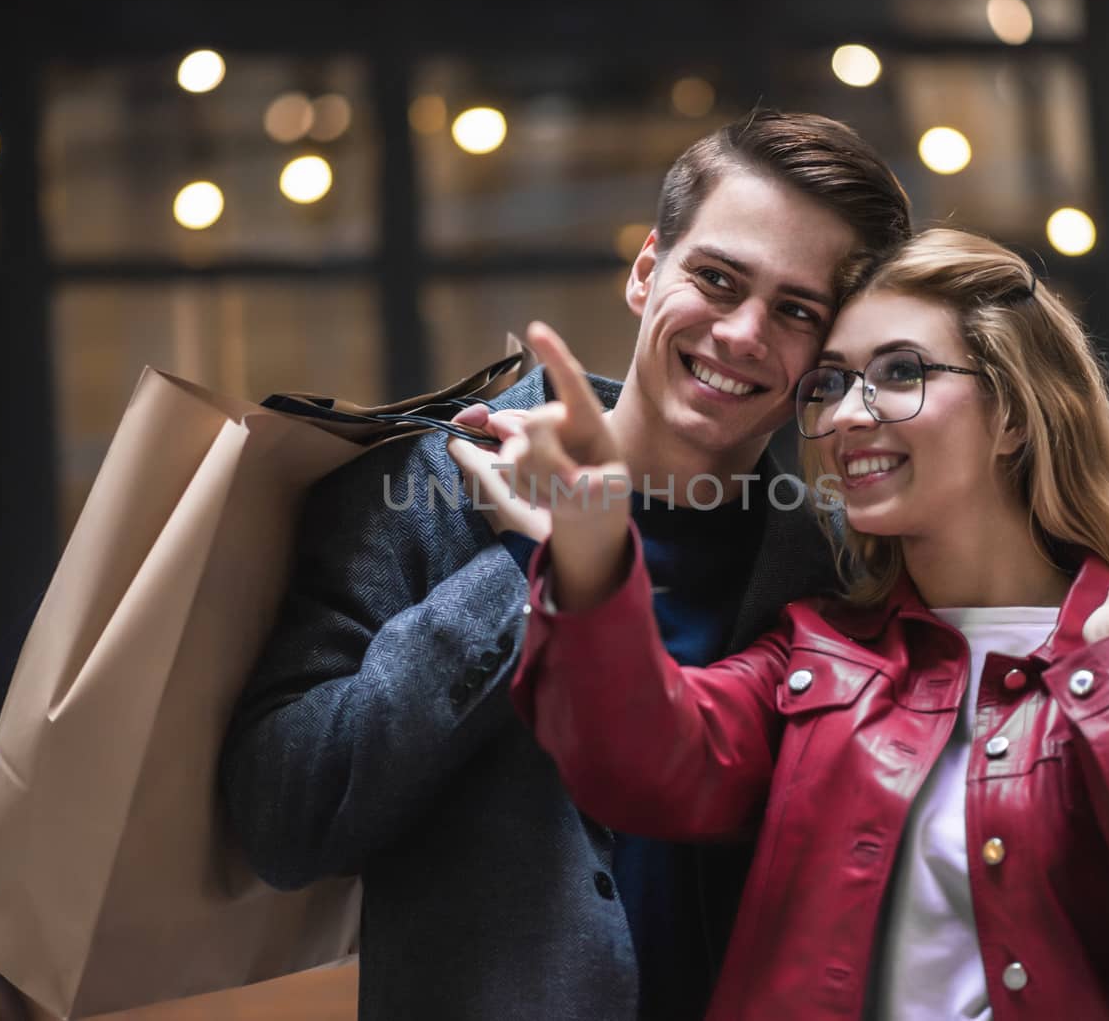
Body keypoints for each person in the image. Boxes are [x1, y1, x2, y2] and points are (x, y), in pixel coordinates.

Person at [500, 228, 1109, 1019]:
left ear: (1015, 416)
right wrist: (594, 540)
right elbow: (636, 766)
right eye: (831, 383)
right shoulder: (818, 652)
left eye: (899, 373)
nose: (849, 415)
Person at [218, 109, 913, 1019]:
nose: (744, 333)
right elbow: (284, 817)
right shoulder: (427, 487)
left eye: (795, 311)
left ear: (828, 357)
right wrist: (524, 560)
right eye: (715, 279)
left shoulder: (834, 562)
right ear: (645, 272)